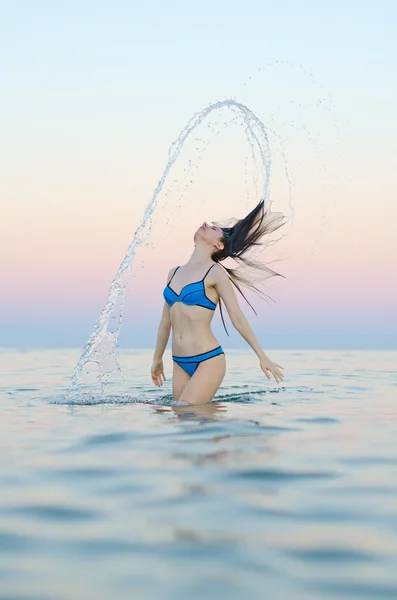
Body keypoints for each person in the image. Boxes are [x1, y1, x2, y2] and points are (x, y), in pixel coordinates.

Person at [151, 199, 287, 405]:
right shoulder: (174, 273)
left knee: (186, 409)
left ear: (218, 245)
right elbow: (164, 322)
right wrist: (157, 358)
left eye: (213, 228)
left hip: (208, 359)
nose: (206, 223)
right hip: (179, 361)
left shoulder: (215, 273)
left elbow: (237, 317)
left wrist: (262, 356)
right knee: (181, 423)